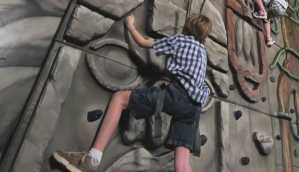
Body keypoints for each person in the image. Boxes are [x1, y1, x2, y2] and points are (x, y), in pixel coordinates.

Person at [53, 14, 212, 172]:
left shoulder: (181, 41)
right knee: (182, 163)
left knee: (120, 98)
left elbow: (143, 42)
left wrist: (130, 25)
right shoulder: (203, 52)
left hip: (178, 94)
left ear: (188, 26)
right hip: (194, 107)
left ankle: (91, 159)